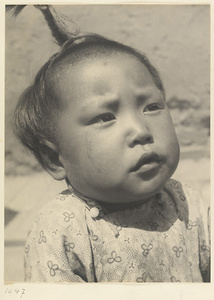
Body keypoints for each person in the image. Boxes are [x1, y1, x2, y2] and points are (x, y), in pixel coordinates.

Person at [12, 8, 210, 283]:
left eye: (152, 107)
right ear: (55, 159)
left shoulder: (187, 204)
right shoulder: (61, 232)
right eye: (106, 117)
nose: (141, 131)